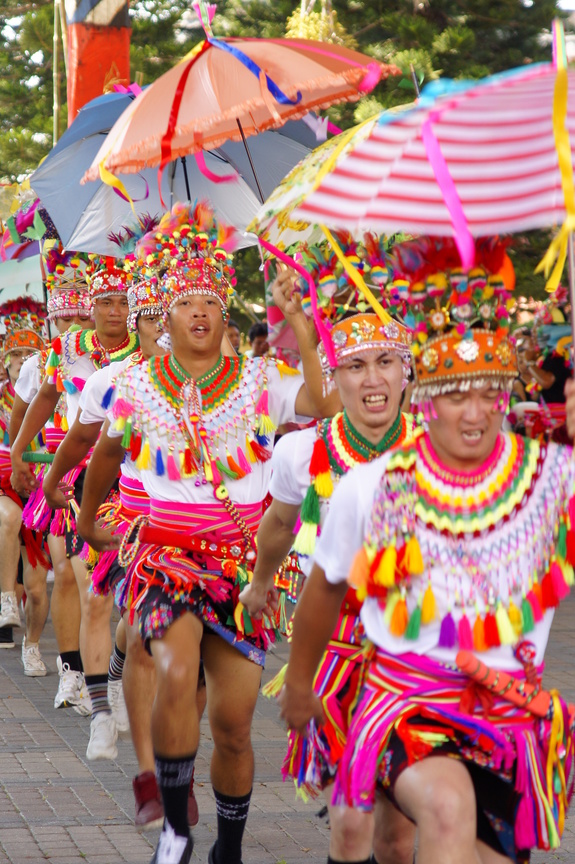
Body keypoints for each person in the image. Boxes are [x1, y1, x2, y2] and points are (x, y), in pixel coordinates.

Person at [280, 237, 575, 864]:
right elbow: (325, 589)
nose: (473, 414)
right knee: (439, 811)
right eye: (455, 395)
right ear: (427, 398)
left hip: (508, 714)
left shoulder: (553, 480)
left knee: (433, 844)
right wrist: (301, 686)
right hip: (406, 700)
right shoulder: (372, 487)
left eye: (487, 394)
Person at [76, 201, 338, 864]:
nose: (198, 312)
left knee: (234, 726)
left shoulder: (260, 381)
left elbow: (325, 407)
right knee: (173, 659)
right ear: (162, 317)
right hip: (162, 559)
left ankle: (228, 842)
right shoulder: (131, 383)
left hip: (242, 571)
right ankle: (174, 826)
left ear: (224, 313)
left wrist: (301, 327)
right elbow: (104, 457)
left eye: (210, 301)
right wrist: (85, 520)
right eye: (185, 301)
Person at [240, 291, 417, 864]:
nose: (372, 378)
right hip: (336, 655)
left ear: (407, 371)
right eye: (356, 364)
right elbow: (277, 525)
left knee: (399, 836)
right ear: (333, 376)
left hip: (418, 655)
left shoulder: (437, 450)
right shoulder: (301, 451)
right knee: (349, 824)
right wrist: (261, 583)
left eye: (385, 361)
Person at [10, 255, 139, 754]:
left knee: (106, 586)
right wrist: (21, 450)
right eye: (104, 301)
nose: (113, 310)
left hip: (130, 477)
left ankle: (113, 670)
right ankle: (79, 677)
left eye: (124, 302)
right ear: (91, 306)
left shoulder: (150, 350)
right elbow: (42, 399)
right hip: (74, 474)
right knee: (77, 578)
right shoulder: (67, 348)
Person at [12, 260, 92, 709]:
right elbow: (22, 415)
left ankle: (104, 673)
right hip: (59, 475)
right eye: (65, 318)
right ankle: (73, 671)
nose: (74, 326)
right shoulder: (44, 361)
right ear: (51, 319)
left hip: (105, 472)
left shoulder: (111, 357)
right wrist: (19, 457)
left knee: (91, 583)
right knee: (65, 570)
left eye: (83, 317)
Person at [0, 300, 51, 674]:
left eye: (28, 355)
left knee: (37, 588)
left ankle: (32, 644)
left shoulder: (56, 392)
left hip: (44, 485)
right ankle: (4, 599)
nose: (21, 360)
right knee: (7, 517)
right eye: (15, 355)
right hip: (7, 478)